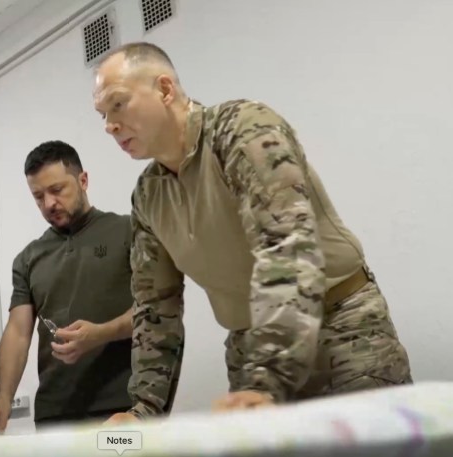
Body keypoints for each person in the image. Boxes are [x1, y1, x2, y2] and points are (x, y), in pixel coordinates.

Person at [91, 42, 413, 422]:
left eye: (117, 104)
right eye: (101, 114)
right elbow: (154, 307)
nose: (109, 125)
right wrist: (143, 411)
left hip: (343, 334)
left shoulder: (243, 129)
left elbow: (286, 251)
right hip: (251, 353)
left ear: (165, 90)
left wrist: (266, 383)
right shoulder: (148, 196)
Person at [0, 141, 156, 434]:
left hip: (124, 409)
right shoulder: (28, 258)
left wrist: (100, 334)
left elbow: (156, 309)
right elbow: (18, 332)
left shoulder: (129, 230)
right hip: (54, 416)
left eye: (57, 190)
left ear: (83, 180)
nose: (48, 204)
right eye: (38, 196)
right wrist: (3, 398)